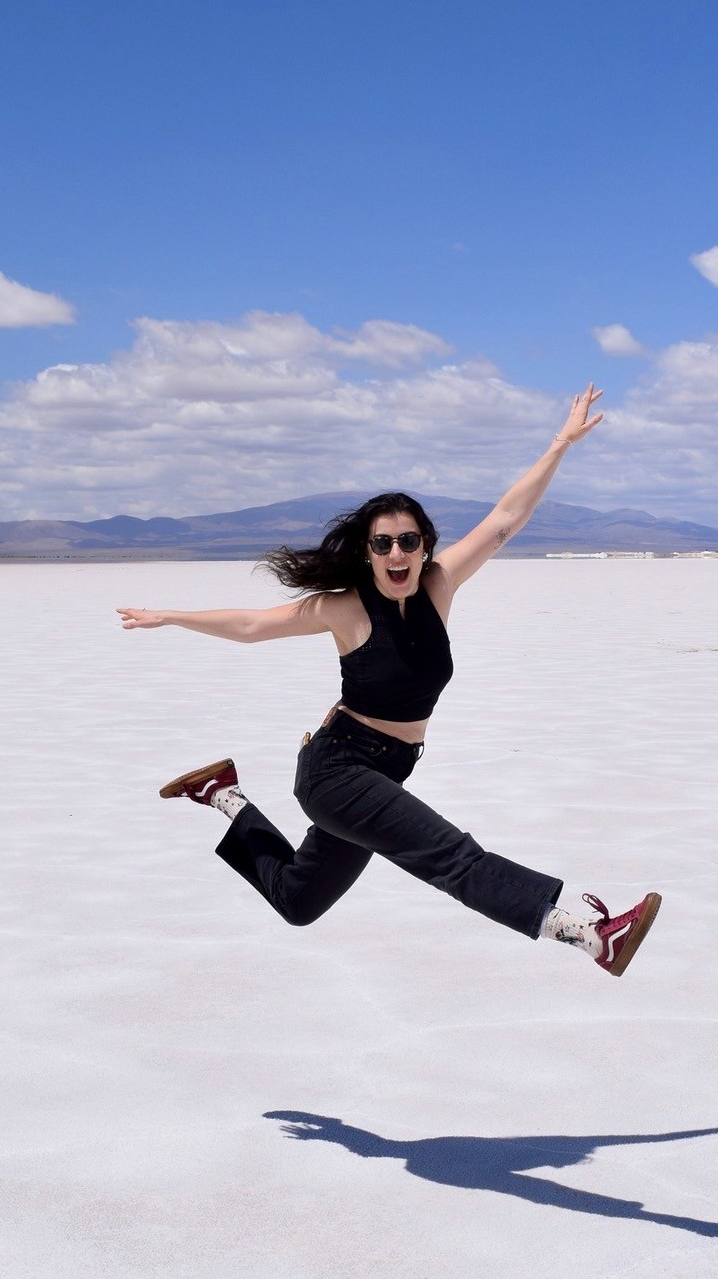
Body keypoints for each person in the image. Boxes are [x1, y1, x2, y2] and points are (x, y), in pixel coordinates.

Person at [116, 384, 662, 976]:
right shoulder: (344, 609)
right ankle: (589, 934)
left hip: (387, 770)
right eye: (383, 544)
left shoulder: (439, 586)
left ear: (424, 547)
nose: (396, 552)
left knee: (298, 902)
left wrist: (560, 444)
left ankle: (224, 793)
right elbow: (251, 625)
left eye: (408, 541)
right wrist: (171, 615)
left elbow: (507, 517)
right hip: (338, 772)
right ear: (369, 554)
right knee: (452, 859)